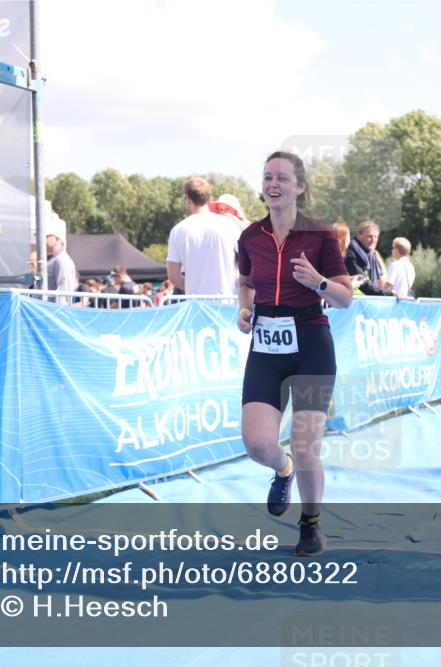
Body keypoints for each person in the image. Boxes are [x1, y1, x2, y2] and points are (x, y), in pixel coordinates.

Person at [237, 151, 353, 557]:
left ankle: (311, 524)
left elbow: (345, 298)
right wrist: (245, 308)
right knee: (256, 444)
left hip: (311, 346)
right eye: (267, 176)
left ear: (300, 187)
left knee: (306, 445)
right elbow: (246, 282)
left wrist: (319, 282)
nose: (273, 183)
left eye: (282, 177)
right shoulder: (250, 237)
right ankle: (281, 469)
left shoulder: (319, 237)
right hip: (266, 348)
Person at [166, 177, 240, 295]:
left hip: (195, 303)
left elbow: (173, 276)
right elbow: (248, 261)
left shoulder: (177, 230)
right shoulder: (229, 225)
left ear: (188, 199)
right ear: (209, 198)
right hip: (226, 301)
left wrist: (192, 288)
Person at [344, 220, 393, 296]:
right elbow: (362, 284)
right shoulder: (351, 254)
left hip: (363, 302)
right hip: (353, 303)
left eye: (376, 237)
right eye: (369, 236)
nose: (373, 240)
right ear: (359, 235)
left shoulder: (370, 255)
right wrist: (390, 294)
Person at [46, 214, 77, 304]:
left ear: (56, 238)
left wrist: (59, 313)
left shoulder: (62, 261)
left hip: (53, 313)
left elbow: (63, 292)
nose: (43, 240)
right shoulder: (55, 260)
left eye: (47, 237)